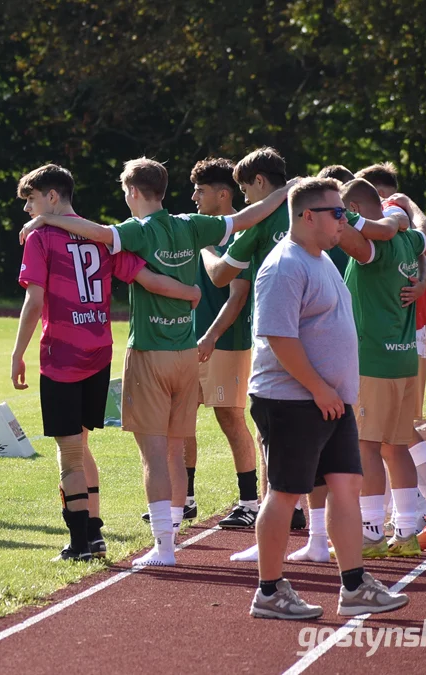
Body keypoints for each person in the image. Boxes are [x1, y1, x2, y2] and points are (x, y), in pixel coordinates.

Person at [19, 157, 289, 566]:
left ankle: (163, 549)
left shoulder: (134, 231)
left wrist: (45, 222)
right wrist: (288, 191)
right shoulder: (190, 224)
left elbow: (95, 232)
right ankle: (173, 540)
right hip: (186, 353)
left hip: (148, 353)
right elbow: (250, 215)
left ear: (132, 192)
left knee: (153, 455)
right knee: (177, 450)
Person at [9, 164, 201, 560]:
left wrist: (17, 352)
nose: (27, 209)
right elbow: (147, 277)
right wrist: (188, 292)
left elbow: (34, 299)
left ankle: (80, 541)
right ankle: (94, 530)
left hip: (62, 355)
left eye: (30, 199)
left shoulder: (41, 236)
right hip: (99, 352)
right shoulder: (102, 235)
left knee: (70, 452)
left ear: (51, 197)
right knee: (81, 443)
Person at [247, 177, 409, 619]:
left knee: (346, 486)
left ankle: (354, 584)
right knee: (283, 493)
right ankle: (269, 591)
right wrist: (319, 388)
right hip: (291, 401)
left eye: (344, 212)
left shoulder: (321, 259)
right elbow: (279, 337)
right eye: (337, 213)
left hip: (329, 401)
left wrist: (332, 392)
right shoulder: (285, 265)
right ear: (307, 216)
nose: (345, 220)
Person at [338, 179, 426, 558]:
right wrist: (409, 204)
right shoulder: (410, 241)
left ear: (356, 211)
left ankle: (372, 534)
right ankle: (407, 532)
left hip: (373, 361)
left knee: (367, 447)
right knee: (398, 447)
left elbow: (341, 234)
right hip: (404, 359)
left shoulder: (369, 247)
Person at [186, 159, 260, 530]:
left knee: (229, 416)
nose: (194, 197)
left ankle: (249, 501)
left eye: (201, 190)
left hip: (226, 341)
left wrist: (211, 336)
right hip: (190, 340)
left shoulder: (239, 234)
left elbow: (238, 295)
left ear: (223, 194)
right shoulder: (195, 229)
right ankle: (184, 499)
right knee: (180, 415)